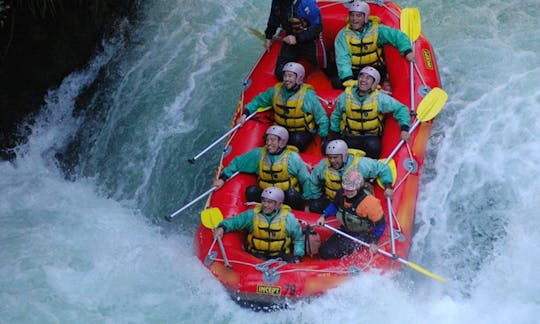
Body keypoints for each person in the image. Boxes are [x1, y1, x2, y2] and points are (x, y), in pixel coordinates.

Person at [213, 125, 310, 210]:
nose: (269, 143)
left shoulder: (293, 158)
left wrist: (307, 203)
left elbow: (305, 180)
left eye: (272, 140)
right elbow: (237, 163)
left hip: (286, 196)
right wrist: (223, 178)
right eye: (267, 140)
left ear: (282, 142)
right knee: (251, 191)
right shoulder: (258, 154)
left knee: (292, 194)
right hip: (266, 197)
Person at [238, 62, 329, 152]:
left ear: (299, 78)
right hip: (281, 128)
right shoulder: (275, 91)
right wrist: (246, 113)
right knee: (269, 141)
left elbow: (321, 116)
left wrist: (323, 137)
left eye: (290, 76)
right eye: (285, 76)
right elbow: (259, 100)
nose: (286, 79)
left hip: (301, 131)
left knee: (296, 141)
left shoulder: (307, 96)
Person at [329, 66, 411, 159]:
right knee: (328, 148)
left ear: (374, 83)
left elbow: (401, 109)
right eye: (361, 76)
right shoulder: (345, 96)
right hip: (349, 136)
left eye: (368, 78)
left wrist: (404, 128)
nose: (363, 80)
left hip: (370, 138)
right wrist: (335, 135)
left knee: (374, 147)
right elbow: (336, 115)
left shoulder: (380, 98)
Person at [334, 0, 414, 88]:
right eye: (352, 15)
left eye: (358, 15)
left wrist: (407, 51)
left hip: (375, 68)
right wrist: (347, 78)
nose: (354, 19)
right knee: (337, 82)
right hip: (355, 72)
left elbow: (397, 36)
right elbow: (343, 58)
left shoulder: (377, 30)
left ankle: (382, 84)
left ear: (365, 17)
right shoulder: (343, 35)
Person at [213, 186, 305, 262]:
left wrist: (298, 255)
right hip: (255, 255)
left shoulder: (289, 219)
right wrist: (222, 227)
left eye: (270, 202)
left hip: (279, 256)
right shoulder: (252, 215)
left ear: (278, 204)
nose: (265, 205)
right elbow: (235, 222)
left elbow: (298, 239)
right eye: (264, 201)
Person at [306, 139, 393, 213]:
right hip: (333, 201)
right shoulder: (323, 166)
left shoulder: (359, 164)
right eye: (330, 157)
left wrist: (388, 187)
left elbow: (382, 168)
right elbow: (314, 181)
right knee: (314, 206)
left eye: (335, 157)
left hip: (354, 201)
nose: (332, 160)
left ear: (343, 156)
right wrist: (315, 197)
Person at [316, 170, 386, 259]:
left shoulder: (369, 203)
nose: (348, 192)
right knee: (324, 250)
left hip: (363, 234)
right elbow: (335, 205)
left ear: (358, 188)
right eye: (346, 189)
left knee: (330, 253)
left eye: (351, 190)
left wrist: (374, 242)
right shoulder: (341, 193)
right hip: (346, 230)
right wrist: (323, 216)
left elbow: (381, 224)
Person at [264, 0, 327, 80]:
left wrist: (297, 39)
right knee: (280, 73)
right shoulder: (277, 2)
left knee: (328, 68)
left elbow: (318, 27)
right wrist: (268, 36)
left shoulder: (306, 3)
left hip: (310, 41)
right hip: (290, 38)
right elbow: (274, 17)